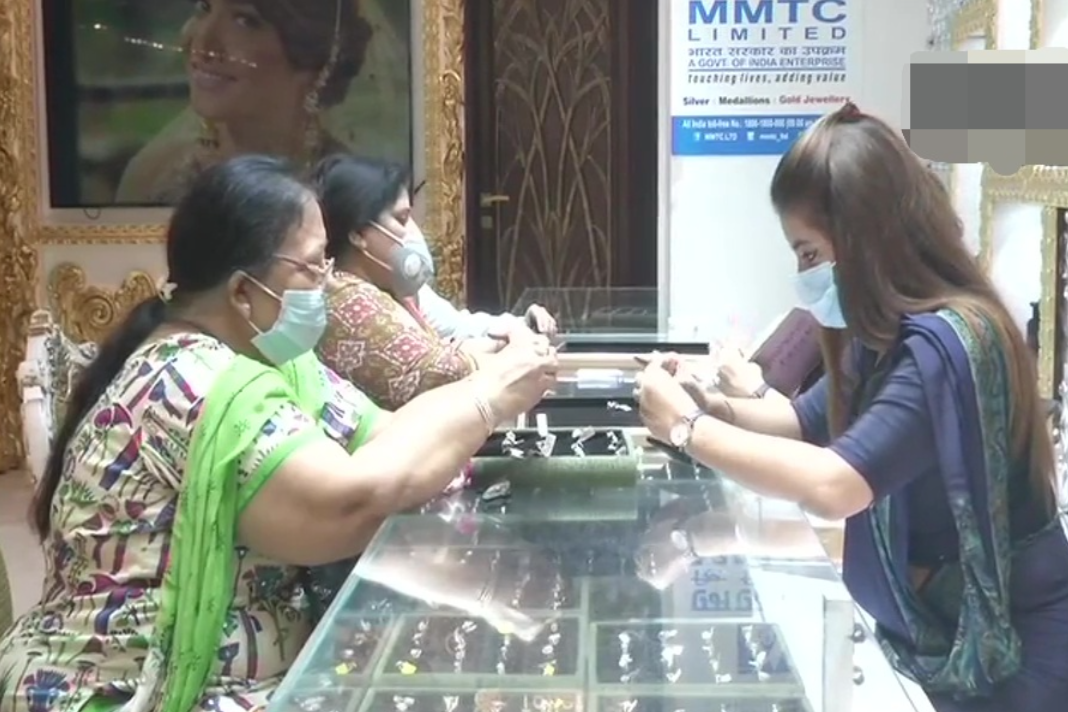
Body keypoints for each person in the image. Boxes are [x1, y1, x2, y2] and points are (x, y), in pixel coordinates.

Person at [0, 156, 556, 712]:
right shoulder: (189, 380)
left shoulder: (278, 362)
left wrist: (486, 392)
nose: (329, 284)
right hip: (127, 692)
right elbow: (346, 505)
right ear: (243, 292)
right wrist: (489, 396)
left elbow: (383, 431)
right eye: (314, 268)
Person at [633, 104, 1068, 712]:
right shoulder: (880, 336)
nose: (802, 274)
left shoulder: (944, 346)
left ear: (863, 236)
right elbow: (803, 424)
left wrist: (687, 429)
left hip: (1018, 652)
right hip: (951, 636)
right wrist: (707, 402)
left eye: (809, 254)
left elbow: (838, 485)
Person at [313, 154, 546, 409]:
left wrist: (518, 327)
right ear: (358, 234)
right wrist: (512, 347)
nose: (413, 232)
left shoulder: (398, 291)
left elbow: (456, 329)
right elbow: (437, 373)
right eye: (401, 219)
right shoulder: (348, 300)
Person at [116, 0, 381, 204]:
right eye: (204, 7)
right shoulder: (154, 175)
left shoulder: (348, 193)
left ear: (311, 57)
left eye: (245, 20)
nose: (203, 43)